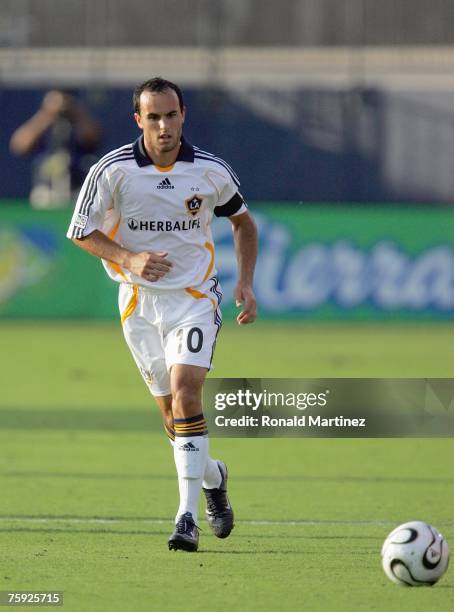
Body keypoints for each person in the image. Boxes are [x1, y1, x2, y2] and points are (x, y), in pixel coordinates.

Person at [66, 77, 257, 552]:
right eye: (153, 116)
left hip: (193, 298)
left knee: (187, 392)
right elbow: (80, 231)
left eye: (171, 115)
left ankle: (186, 517)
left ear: (183, 115)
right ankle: (213, 476)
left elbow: (242, 223)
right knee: (173, 419)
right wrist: (128, 259)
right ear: (139, 120)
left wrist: (246, 283)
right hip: (137, 305)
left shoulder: (210, 172)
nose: (164, 125)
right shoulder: (112, 170)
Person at [10, 89, 102, 208]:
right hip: (46, 188)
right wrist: (47, 113)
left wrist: (75, 110)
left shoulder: (78, 121)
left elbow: (93, 137)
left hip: (77, 186)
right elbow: (19, 145)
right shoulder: (44, 123)